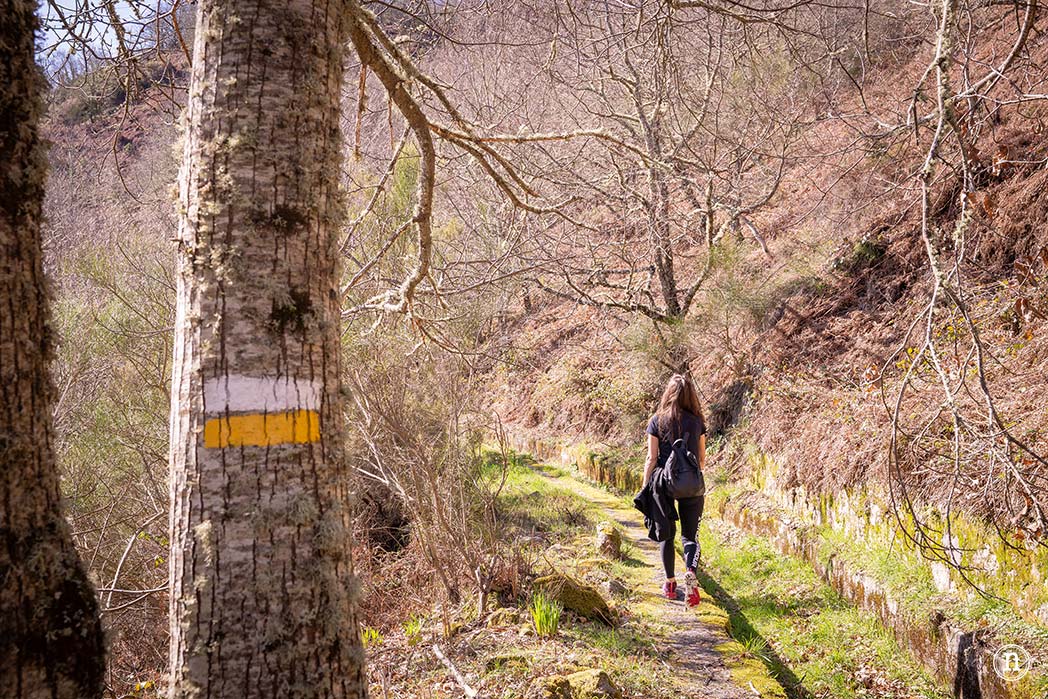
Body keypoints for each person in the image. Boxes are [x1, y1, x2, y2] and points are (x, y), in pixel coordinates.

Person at [642, 373, 706, 607]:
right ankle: (690, 571)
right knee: (690, 536)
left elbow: (652, 457)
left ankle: (670, 584)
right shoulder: (697, 421)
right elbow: (701, 459)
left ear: (668, 394)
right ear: (690, 395)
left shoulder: (657, 420)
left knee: (666, 534)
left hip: (663, 484)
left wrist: (645, 485)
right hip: (691, 485)